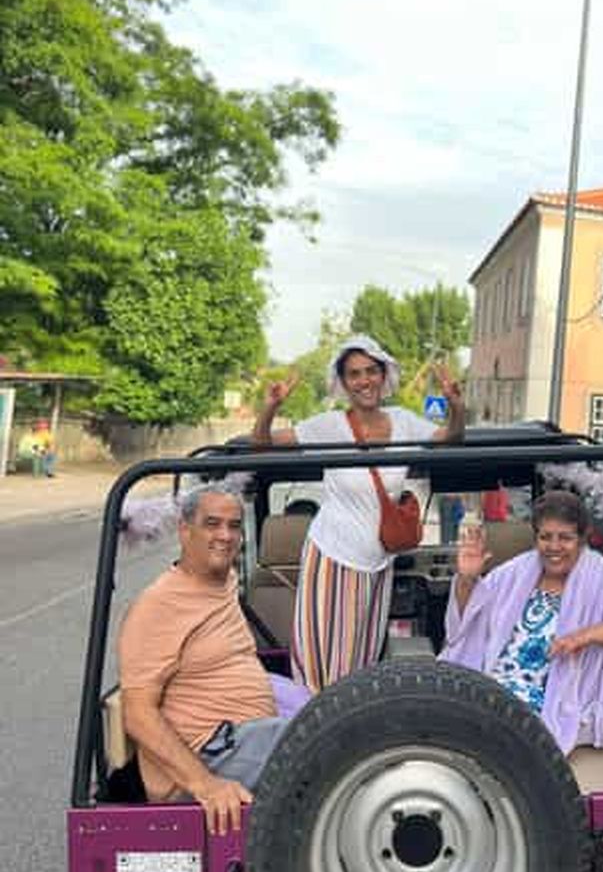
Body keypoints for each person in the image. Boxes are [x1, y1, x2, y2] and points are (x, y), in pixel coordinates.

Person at [253, 334, 465, 693]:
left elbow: (451, 439)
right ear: (344, 382)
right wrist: (271, 407)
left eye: (370, 371)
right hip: (332, 556)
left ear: (383, 375)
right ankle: (317, 724)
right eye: (354, 374)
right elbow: (262, 444)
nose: (364, 380)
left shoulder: (404, 421)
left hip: (378, 564)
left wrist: (456, 405)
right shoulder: (329, 426)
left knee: (360, 667)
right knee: (322, 667)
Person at [118, 485, 310, 835]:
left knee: (339, 723)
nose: (225, 536)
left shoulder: (223, 581)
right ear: (184, 530)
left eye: (234, 526)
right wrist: (205, 785)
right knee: (333, 743)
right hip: (209, 756)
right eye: (212, 524)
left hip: (245, 740)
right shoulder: (159, 605)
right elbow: (137, 714)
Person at [439, 490, 603, 756]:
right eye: (545, 537)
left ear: (582, 539)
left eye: (565, 538)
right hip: (492, 688)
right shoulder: (515, 572)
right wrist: (467, 579)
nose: (553, 547)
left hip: (549, 705)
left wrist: (588, 634)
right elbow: (468, 623)